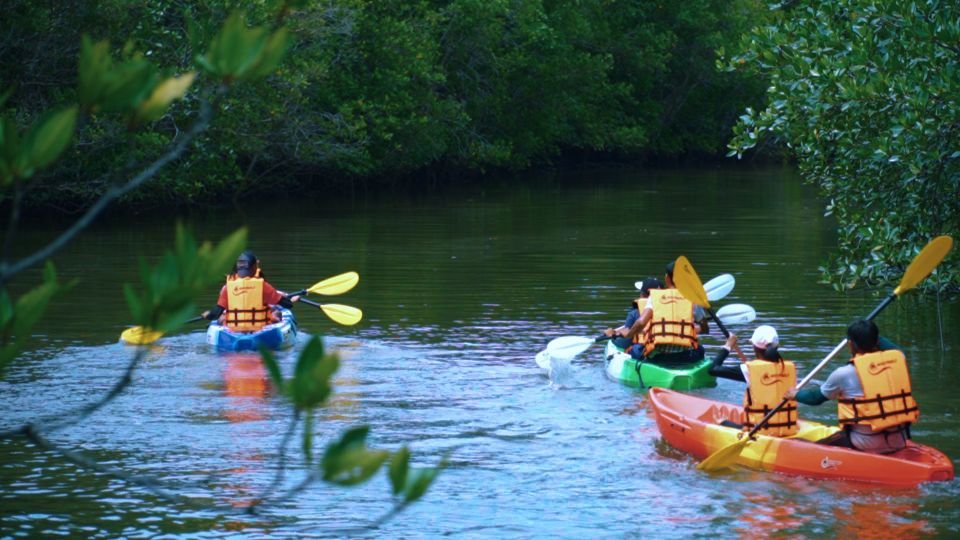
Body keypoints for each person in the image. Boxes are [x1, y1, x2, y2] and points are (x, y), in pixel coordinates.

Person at [784, 319, 918, 454]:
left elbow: (816, 398)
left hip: (863, 443)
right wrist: (870, 333)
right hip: (898, 441)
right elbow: (894, 350)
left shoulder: (844, 374)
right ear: (877, 341)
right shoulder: (899, 360)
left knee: (807, 446)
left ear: (851, 344)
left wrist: (795, 394)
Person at [708, 326, 799, 436]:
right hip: (787, 427)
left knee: (720, 421)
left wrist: (728, 346)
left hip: (758, 431)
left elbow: (713, 369)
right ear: (777, 346)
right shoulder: (789, 368)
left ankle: (722, 422)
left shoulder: (749, 370)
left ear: (754, 347)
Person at [623, 261, 708, 364]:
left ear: (667, 278)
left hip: (658, 356)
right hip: (686, 357)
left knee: (636, 349)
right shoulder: (692, 300)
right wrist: (690, 329)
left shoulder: (655, 297)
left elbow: (641, 322)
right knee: (700, 349)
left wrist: (629, 335)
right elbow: (705, 329)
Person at [201, 250, 300, 332]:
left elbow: (216, 313)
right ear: (254, 268)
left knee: (222, 318)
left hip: (234, 331)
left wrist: (208, 315)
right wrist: (291, 300)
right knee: (277, 313)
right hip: (259, 330)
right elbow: (287, 305)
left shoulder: (227, 288)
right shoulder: (263, 286)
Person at [603, 277, 663, 350]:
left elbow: (625, 342)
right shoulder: (668, 311)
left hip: (644, 352)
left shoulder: (634, 313)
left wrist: (612, 336)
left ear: (642, 295)